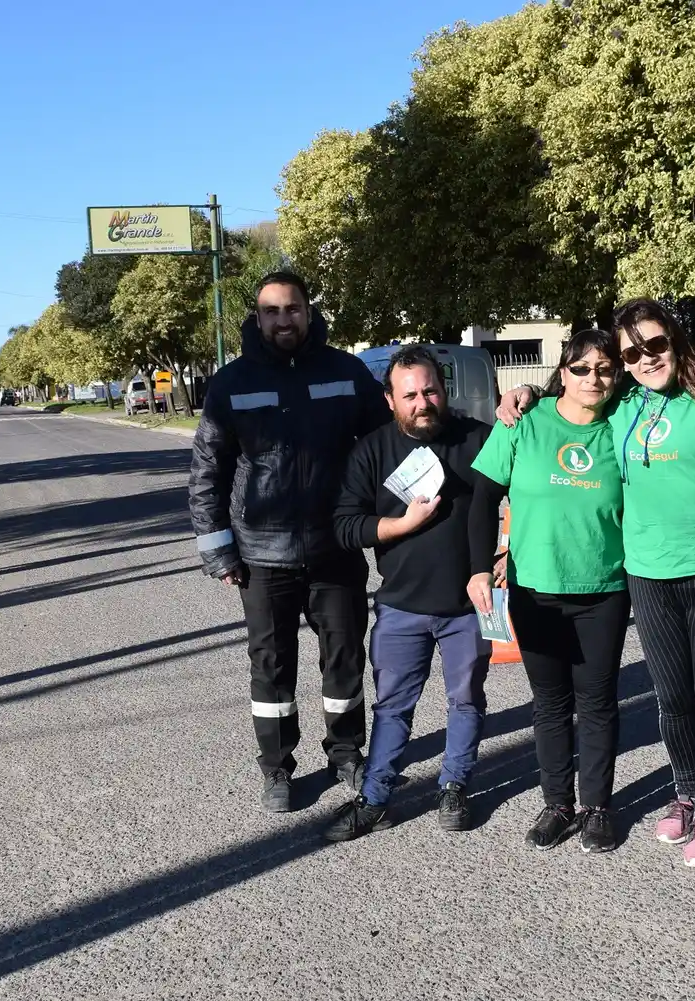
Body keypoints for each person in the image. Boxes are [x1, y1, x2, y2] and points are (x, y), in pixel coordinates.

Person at [497, 301, 695, 867]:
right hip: (646, 572)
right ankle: (685, 794)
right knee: (671, 698)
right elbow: (573, 407)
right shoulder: (624, 407)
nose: (643, 360)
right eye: (630, 353)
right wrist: (526, 397)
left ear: (677, 341)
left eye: (655, 345)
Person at [188, 271, 391, 813]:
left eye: (292, 309)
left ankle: (346, 752)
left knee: (343, 658)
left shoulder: (346, 372)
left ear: (308, 312)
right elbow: (209, 469)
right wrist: (218, 548)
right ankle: (277, 768)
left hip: (336, 548)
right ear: (257, 317)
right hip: (261, 554)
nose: (283, 319)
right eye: (272, 311)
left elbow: (386, 446)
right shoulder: (231, 383)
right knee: (271, 665)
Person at [326, 346, 499, 841]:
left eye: (430, 390)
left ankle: (454, 786)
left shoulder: (478, 439)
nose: (422, 402)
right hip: (401, 606)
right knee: (392, 707)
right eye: (410, 395)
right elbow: (344, 526)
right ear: (390, 400)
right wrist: (401, 524)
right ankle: (375, 797)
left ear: (443, 391)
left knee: (466, 700)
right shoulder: (372, 452)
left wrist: (506, 555)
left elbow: (525, 491)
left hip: (471, 607)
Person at [473, 328, 629, 854]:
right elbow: (483, 497)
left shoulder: (624, 426)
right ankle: (558, 803)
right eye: (581, 368)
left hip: (604, 587)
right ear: (562, 372)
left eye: (605, 368)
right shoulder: (525, 421)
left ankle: (598, 806)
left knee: (599, 701)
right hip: (536, 587)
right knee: (550, 702)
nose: (593, 378)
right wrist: (478, 567)